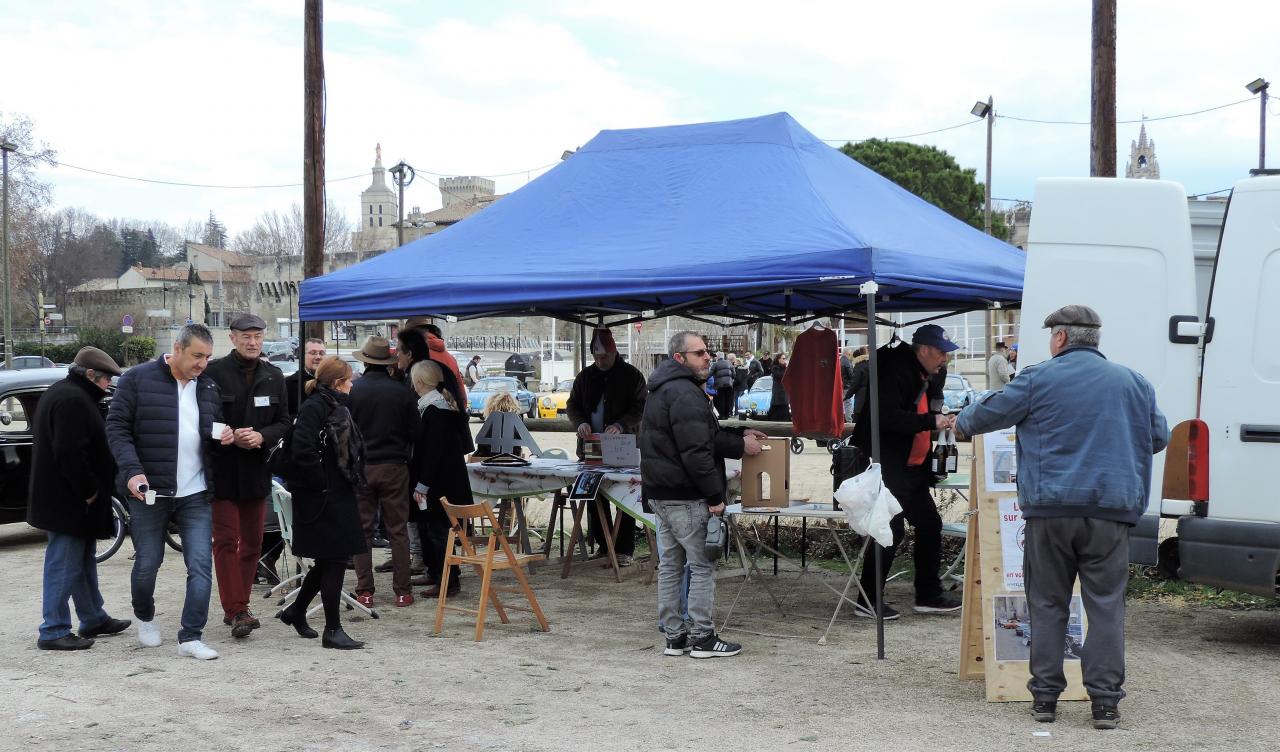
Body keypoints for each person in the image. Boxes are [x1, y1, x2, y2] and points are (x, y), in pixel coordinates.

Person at [956, 305, 1167, 730]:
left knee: (1048, 603)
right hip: (1111, 512)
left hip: (1051, 511)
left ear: (1060, 338)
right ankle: (1105, 704)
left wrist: (958, 421)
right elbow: (1158, 437)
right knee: (1106, 607)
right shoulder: (1135, 382)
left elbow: (978, 418)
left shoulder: (1038, 378)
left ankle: (1046, 700)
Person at [106, 323, 234, 660]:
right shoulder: (137, 379)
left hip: (196, 492)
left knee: (200, 565)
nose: (202, 364)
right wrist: (133, 473)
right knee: (148, 562)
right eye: (196, 356)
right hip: (150, 491)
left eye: (207, 357)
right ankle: (145, 616)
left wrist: (224, 436)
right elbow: (117, 428)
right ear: (176, 349)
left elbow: (210, 428)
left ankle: (191, 635)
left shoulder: (207, 386)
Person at [640, 330, 765, 659]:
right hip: (685, 494)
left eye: (707, 351)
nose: (707, 356)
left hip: (663, 494)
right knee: (700, 566)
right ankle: (703, 638)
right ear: (679, 358)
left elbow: (704, 436)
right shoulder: (685, 393)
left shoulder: (665, 389)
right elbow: (696, 452)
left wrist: (738, 437)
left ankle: (675, 636)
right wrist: (715, 497)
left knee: (671, 566)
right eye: (699, 353)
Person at [849, 324, 963, 619]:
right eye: (940, 353)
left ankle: (928, 594)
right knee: (890, 528)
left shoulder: (924, 373)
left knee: (929, 524)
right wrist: (930, 421)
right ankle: (867, 599)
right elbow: (886, 418)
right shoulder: (897, 370)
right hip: (888, 464)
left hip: (912, 468)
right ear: (923, 349)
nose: (944, 360)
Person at [29, 347, 130, 651]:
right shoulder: (72, 399)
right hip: (70, 501)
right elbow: (69, 453)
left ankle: (93, 617)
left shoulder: (64, 392)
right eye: (104, 381)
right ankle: (53, 629)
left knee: (82, 561)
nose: (106, 387)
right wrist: (90, 491)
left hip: (68, 500)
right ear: (90, 375)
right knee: (63, 564)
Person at [204, 313, 291, 639]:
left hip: (256, 471)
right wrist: (227, 433)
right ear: (233, 338)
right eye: (246, 336)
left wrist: (263, 436)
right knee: (226, 541)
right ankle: (237, 609)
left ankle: (238, 606)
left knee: (253, 543)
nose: (252, 342)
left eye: (257, 336)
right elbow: (203, 419)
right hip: (223, 470)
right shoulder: (213, 374)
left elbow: (284, 421)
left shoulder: (274, 375)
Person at [277, 356, 368, 649]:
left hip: (334, 492)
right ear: (338, 382)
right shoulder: (316, 406)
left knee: (329, 559)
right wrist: (321, 484)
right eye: (349, 379)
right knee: (337, 558)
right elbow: (303, 449)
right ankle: (332, 629)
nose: (353, 384)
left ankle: (296, 611)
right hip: (323, 495)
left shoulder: (330, 404)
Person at [348, 336, 421, 609]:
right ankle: (403, 591)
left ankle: (365, 591)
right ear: (387, 363)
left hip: (362, 466)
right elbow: (416, 432)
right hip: (394, 466)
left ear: (365, 362)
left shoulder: (353, 390)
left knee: (363, 531)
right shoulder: (402, 391)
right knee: (397, 530)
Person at [566, 328, 647, 566]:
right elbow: (573, 405)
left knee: (625, 495)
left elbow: (641, 406)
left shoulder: (632, 375)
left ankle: (623, 549)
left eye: (605, 357)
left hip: (623, 445)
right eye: (597, 357)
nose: (600, 361)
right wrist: (580, 422)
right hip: (591, 446)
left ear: (614, 353)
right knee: (593, 496)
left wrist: (621, 425)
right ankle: (604, 545)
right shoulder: (585, 376)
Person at [408, 360, 476, 598]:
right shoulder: (438, 406)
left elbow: (433, 452)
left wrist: (423, 483)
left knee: (439, 533)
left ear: (419, 382)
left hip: (439, 483)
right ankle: (436, 573)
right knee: (432, 531)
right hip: (442, 481)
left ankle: (447, 579)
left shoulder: (436, 410)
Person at [286, 338, 326, 415]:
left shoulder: (332, 381)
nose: (318, 357)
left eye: (321, 353)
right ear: (302, 356)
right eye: (313, 353)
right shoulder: (288, 384)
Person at [710, 352, 735, 420]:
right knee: (727, 399)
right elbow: (734, 374)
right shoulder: (729, 363)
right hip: (729, 384)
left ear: (717, 357)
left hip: (720, 385)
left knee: (720, 400)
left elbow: (710, 373)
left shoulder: (715, 364)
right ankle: (726, 415)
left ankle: (722, 415)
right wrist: (730, 379)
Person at [765, 352, 790, 420]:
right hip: (778, 391)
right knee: (777, 405)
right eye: (783, 358)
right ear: (778, 359)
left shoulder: (784, 367)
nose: (784, 360)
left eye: (785, 358)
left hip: (784, 390)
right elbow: (780, 376)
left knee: (784, 405)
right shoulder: (775, 367)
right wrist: (786, 368)